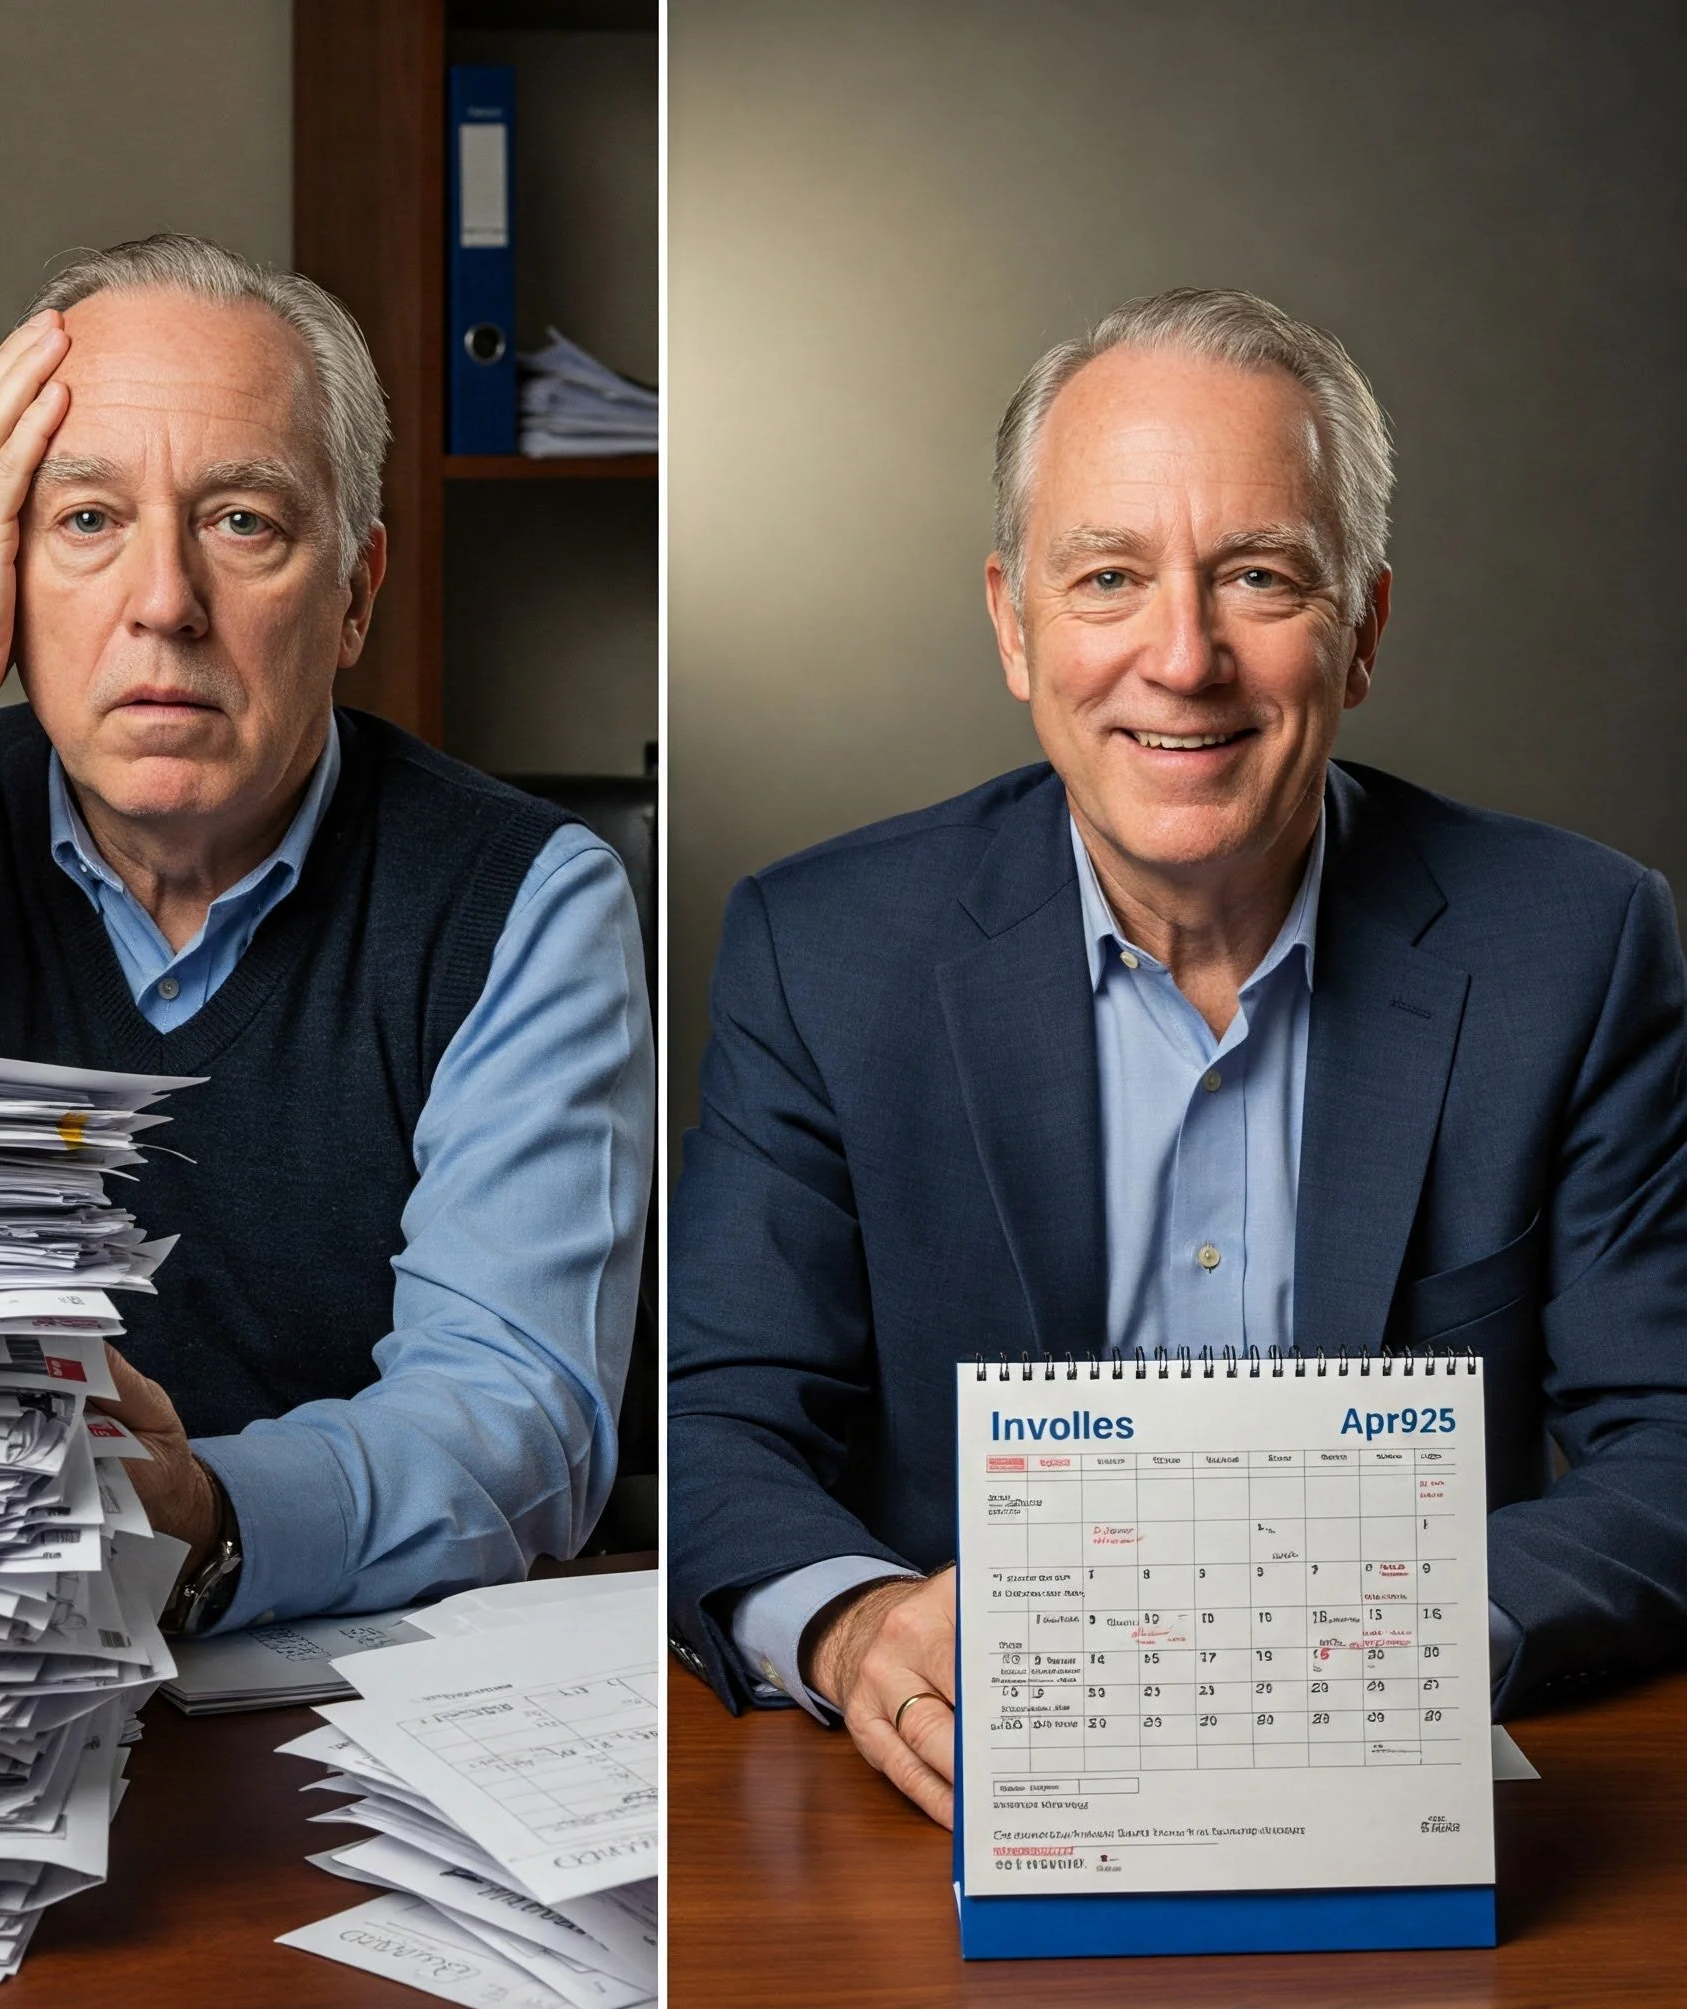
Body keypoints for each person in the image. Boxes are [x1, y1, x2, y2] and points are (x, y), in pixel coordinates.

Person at [668, 287, 1687, 1826]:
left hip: (1404, 1782)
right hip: (955, 1804)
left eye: (1260, 577)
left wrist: (1410, 1647)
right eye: (1110, 578)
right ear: (1015, 624)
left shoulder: (1578, 943)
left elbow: (1672, 1439)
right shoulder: (825, 954)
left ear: (1364, 633)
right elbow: (712, 1421)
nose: (1184, 657)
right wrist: (856, 1626)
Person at [0, 234, 654, 1636]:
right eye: (87, 521)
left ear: (355, 591)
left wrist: (208, 1520)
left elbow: (515, 1410)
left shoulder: (523, 897)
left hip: (332, 1675)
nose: (164, 603)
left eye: (243, 522)